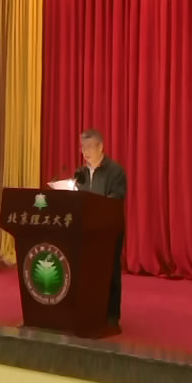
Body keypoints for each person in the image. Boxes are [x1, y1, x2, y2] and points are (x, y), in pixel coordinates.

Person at [74, 129, 126, 332]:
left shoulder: (115, 171)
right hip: (86, 230)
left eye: (89, 147)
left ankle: (112, 316)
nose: (85, 152)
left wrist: (96, 207)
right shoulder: (80, 172)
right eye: (82, 147)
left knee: (110, 272)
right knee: (86, 272)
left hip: (109, 229)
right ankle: (89, 311)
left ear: (101, 147)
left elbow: (116, 198)